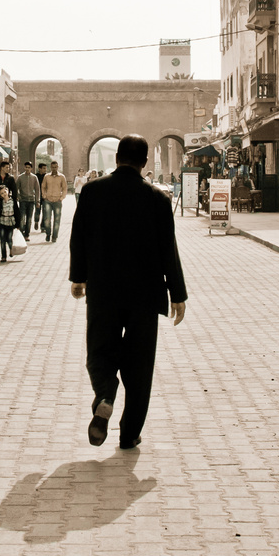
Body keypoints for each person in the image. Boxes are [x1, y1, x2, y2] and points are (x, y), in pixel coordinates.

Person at [68, 135, 188, 450]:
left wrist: (78, 277)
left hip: (104, 290)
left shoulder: (92, 192)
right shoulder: (158, 199)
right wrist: (178, 293)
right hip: (145, 295)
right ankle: (129, 433)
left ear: (117, 157)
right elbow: (168, 250)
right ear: (145, 162)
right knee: (139, 365)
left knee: (99, 351)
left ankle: (105, 393)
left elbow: (78, 236)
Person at [40, 161, 68, 242]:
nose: (54, 168)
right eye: (53, 167)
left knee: (57, 220)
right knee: (47, 219)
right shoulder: (47, 176)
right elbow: (43, 187)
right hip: (48, 200)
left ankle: (54, 236)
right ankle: (48, 234)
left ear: (58, 167)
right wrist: (44, 196)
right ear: (50, 167)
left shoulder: (62, 177)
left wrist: (62, 197)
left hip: (57, 201)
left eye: (56, 167)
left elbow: (65, 188)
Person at [16, 161, 40, 240]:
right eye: (26, 167)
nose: (27, 169)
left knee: (29, 219)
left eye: (29, 167)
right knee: (22, 218)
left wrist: (38, 201)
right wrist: (18, 196)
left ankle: (27, 234)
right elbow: (16, 188)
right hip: (23, 200)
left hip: (31, 200)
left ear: (31, 168)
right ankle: (21, 233)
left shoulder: (34, 177)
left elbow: (37, 190)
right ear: (24, 167)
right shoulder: (20, 177)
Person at [0, 183, 17, 262]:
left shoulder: (13, 200)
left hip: (11, 222)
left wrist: (18, 224)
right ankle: (3, 256)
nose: (4, 194)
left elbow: (17, 212)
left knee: (9, 238)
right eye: (2, 193)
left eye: (5, 192)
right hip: (2, 222)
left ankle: (11, 249)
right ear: (0, 195)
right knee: (3, 240)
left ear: (8, 191)